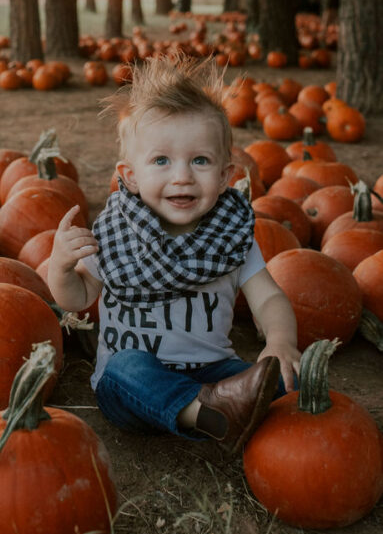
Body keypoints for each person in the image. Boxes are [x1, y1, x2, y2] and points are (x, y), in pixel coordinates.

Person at [47, 53, 300, 458]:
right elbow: (76, 298)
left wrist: (282, 342)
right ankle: (210, 416)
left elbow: (268, 298)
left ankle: (211, 410)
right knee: (124, 368)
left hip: (215, 375)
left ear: (223, 176)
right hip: (136, 387)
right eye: (161, 161)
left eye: (199, 160)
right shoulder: (116, 234)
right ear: (130, 176)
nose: (181, 175)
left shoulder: (230, 238)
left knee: (282, 380)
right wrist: (60, 265)